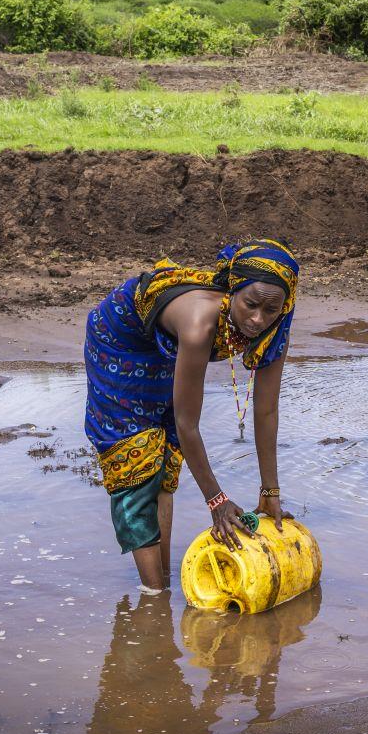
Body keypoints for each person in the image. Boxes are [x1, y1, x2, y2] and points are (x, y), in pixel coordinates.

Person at [84, 239, 298, 592]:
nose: (258, 319)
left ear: (285, 306)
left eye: (271, 310)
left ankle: (163, 587)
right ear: (232, 291)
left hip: (167, 347)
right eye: (250, 305)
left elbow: (267, 410)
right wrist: (216, 500)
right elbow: (189, 424)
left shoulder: (275, 330)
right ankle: (154, 595)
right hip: (121, 339)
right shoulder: (200, 324)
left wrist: (270, 491)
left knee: (167, 457)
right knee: (134, 461)